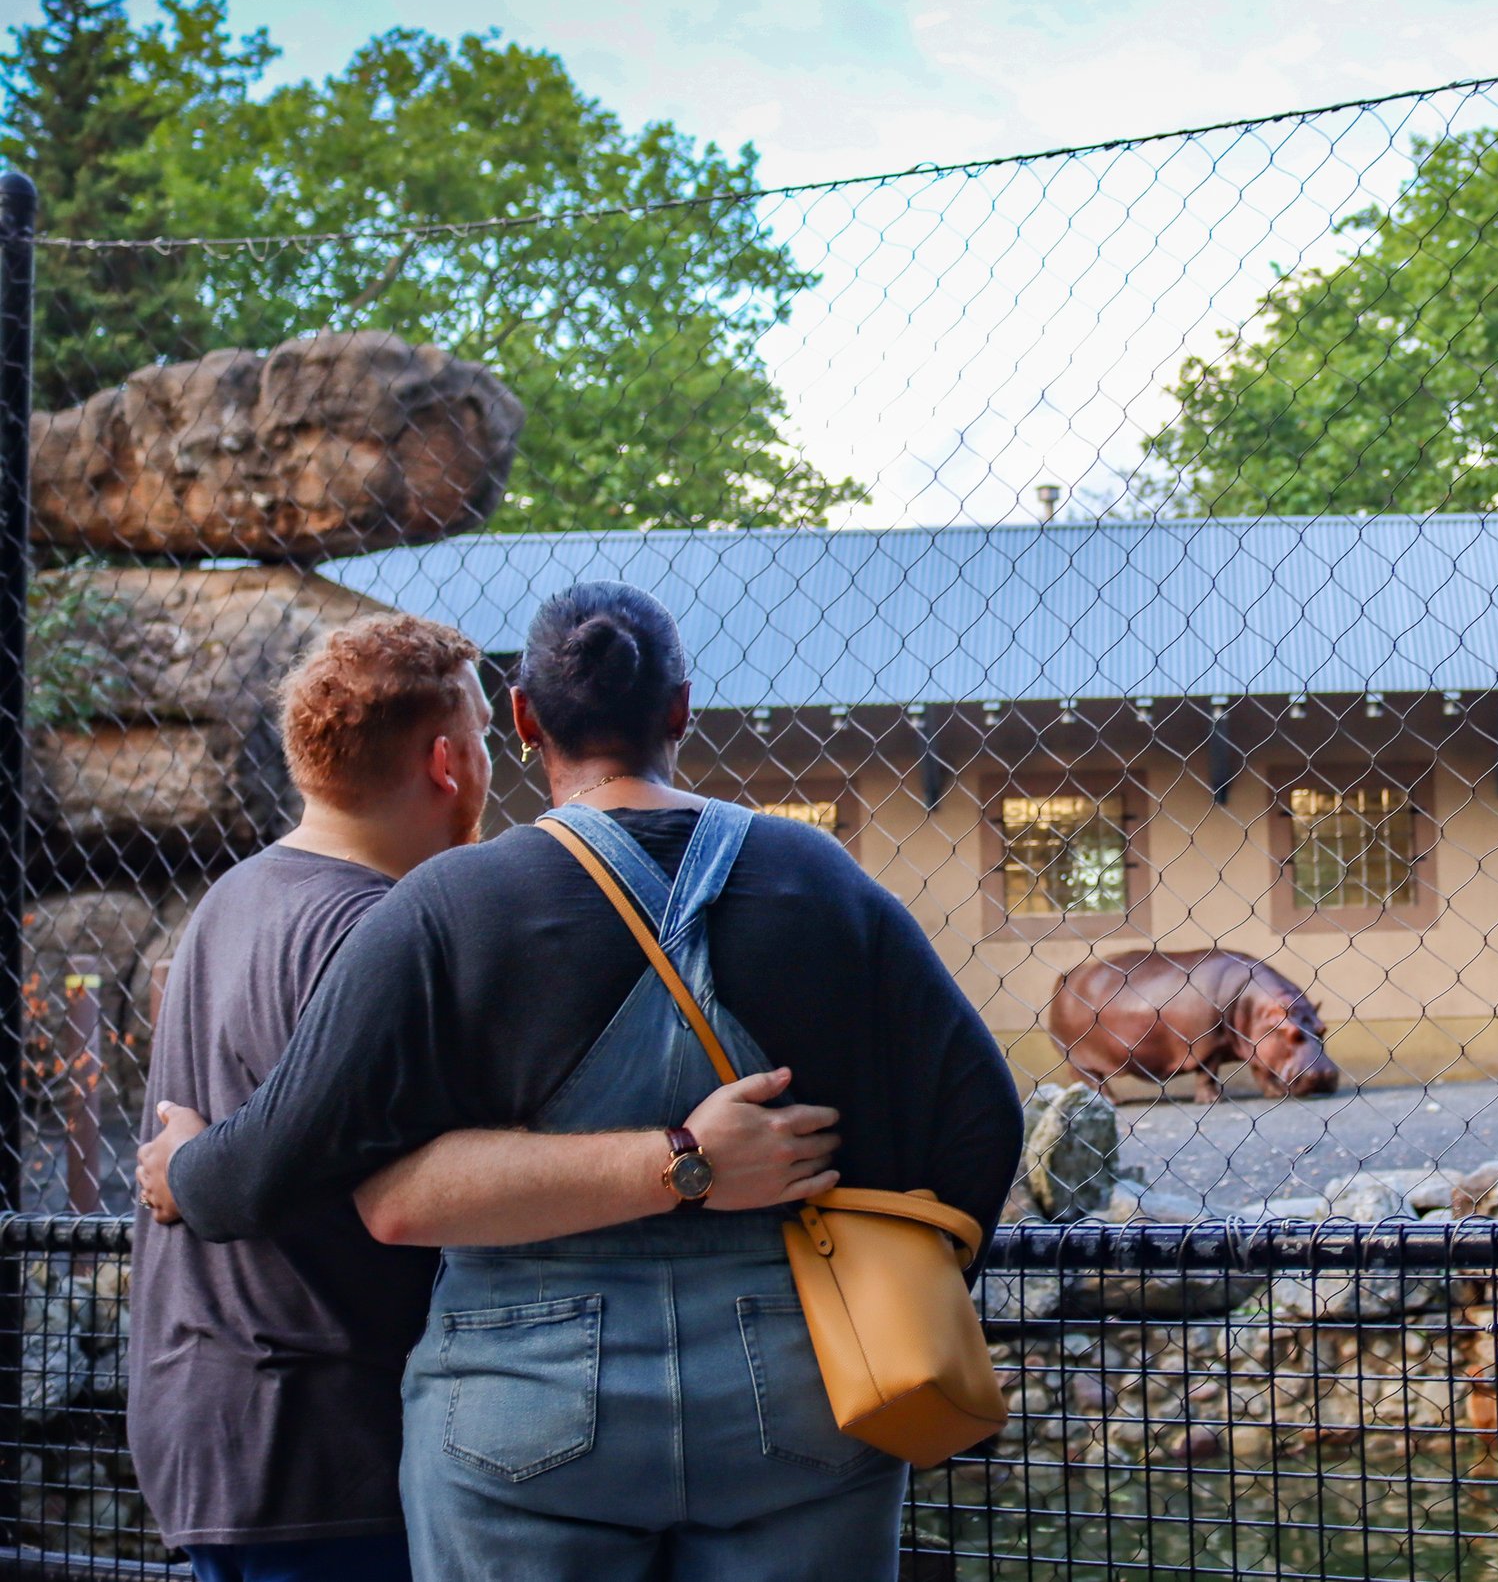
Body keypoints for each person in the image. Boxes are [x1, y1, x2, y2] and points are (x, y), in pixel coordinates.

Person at [155, 582, 1025, 1582]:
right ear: (681, 709)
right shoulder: (818, 876)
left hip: (518, 1403)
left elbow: (262, 1168)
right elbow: (980, 1121)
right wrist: (871, 1279)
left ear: (524, 717)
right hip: (798, 1382)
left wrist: (187, 1163)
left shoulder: (452, 904)